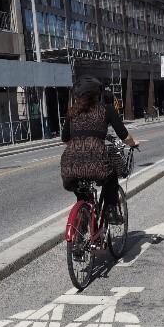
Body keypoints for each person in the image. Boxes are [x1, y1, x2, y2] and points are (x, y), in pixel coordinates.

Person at [60, 76, 139, 224]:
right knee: (111, 175)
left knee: (81, 191)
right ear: (97, 95)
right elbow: (124, 135)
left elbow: (65, 138)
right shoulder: (106, 109)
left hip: (70, 163)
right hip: (97, 160)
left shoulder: (72, 112)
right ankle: (110, 210)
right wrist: (134, 143)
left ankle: (82, 223)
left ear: (78, 95)